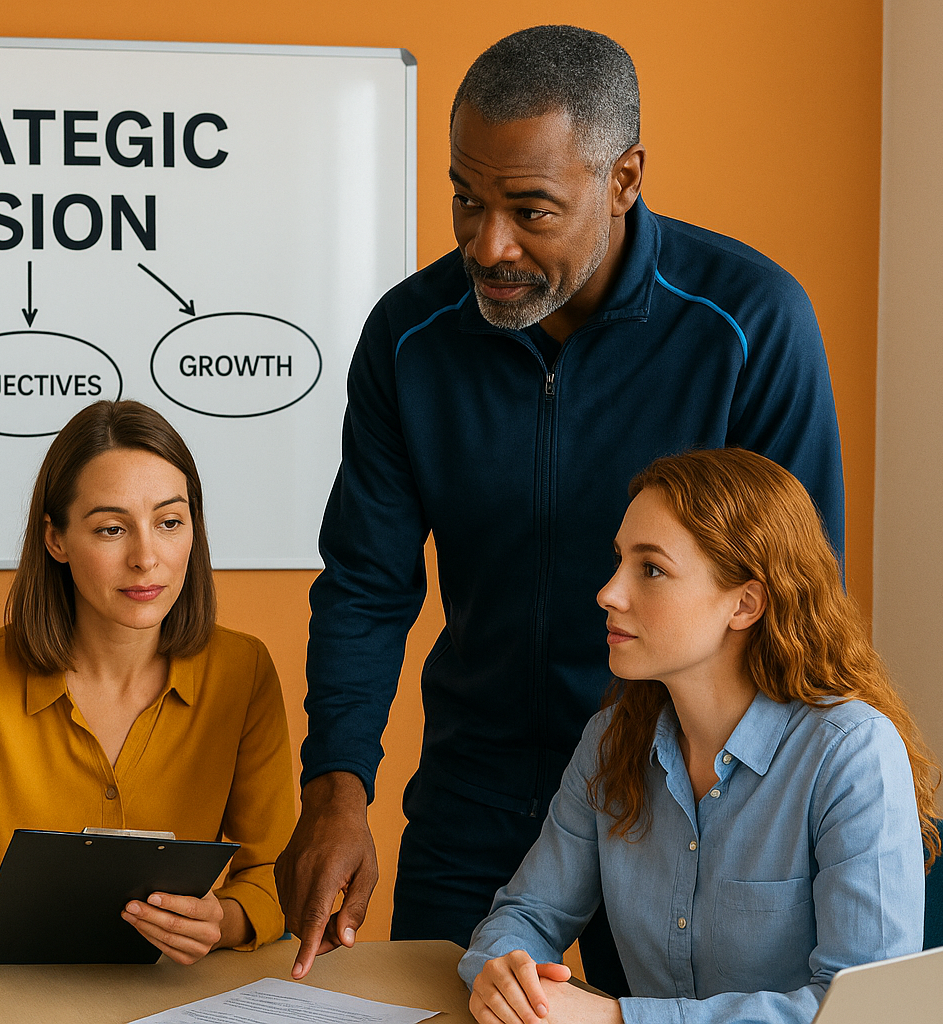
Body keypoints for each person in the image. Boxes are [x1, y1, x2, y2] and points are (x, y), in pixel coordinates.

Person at [278, 25, 846, 988]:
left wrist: (762, 819)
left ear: (623, 178)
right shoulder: (409, 339)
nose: (487, 244)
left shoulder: (750, 326)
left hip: (680, 794)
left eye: (531, 210)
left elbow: (794, 600)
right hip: (475, 791)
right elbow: (367, 585)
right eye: (467, 199)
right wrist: (336, 787)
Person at [459, 447, 938, 1024]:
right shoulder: (612, 741)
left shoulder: (852, 752)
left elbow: (869, 1011)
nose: (608, 593)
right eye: (619, 561)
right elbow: (527, 914)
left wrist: (617, 1021)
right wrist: (508, 977)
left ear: (745, 603)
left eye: (651, 569)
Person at [0, 399, 294, 963]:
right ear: (56, 540)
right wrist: (33, 939)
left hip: (178, 999)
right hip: (1, 999)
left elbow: (275, 875)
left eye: (169, 522)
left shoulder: (245, 671)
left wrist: (223, 921)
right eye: (112, 529)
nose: (146, 558)